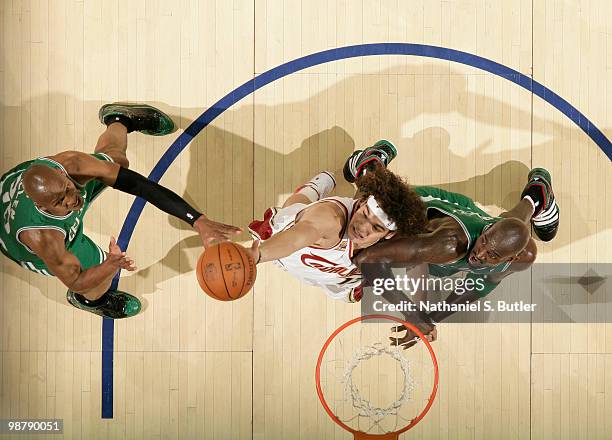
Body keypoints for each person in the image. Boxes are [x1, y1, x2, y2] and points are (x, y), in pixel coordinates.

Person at [0, 103, 241, 319]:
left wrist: (197, 220)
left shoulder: (71, 165)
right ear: (43, 206)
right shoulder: (44, 238)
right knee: (97, 278)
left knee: (116, 163)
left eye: (68, 189)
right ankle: (89, 302)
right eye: (60, 201)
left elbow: (137, 184)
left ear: (63, 174)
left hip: (26, 192)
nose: (72, 200)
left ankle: (119, 118)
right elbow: (76, 280)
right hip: (20, 240)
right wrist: (112, 264)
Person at [345, 145, 560, 348]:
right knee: (360, 238)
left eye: (492, 254)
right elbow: (370, 261)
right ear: (487, 230)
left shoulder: (521, 255)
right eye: (483, 242)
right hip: (426, 209)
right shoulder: (448, 245)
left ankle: (536, 196)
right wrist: (412, 313)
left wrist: (429, 320)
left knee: (516, 221)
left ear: (510, 259)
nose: (479, 254)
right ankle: (370, 165)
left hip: (472, 221)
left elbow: (480, 284)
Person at [246, 140, 426, 302]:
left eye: (376, 226)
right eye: (365, 214)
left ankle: (366, 167)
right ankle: (335, 178)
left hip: (330, 275)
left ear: (390, 234)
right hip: (289, 251)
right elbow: (295, 238)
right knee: (296, 204)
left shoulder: (396, 241)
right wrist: (258, 255)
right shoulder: (329, 219)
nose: (362, 227)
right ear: (361, 202)